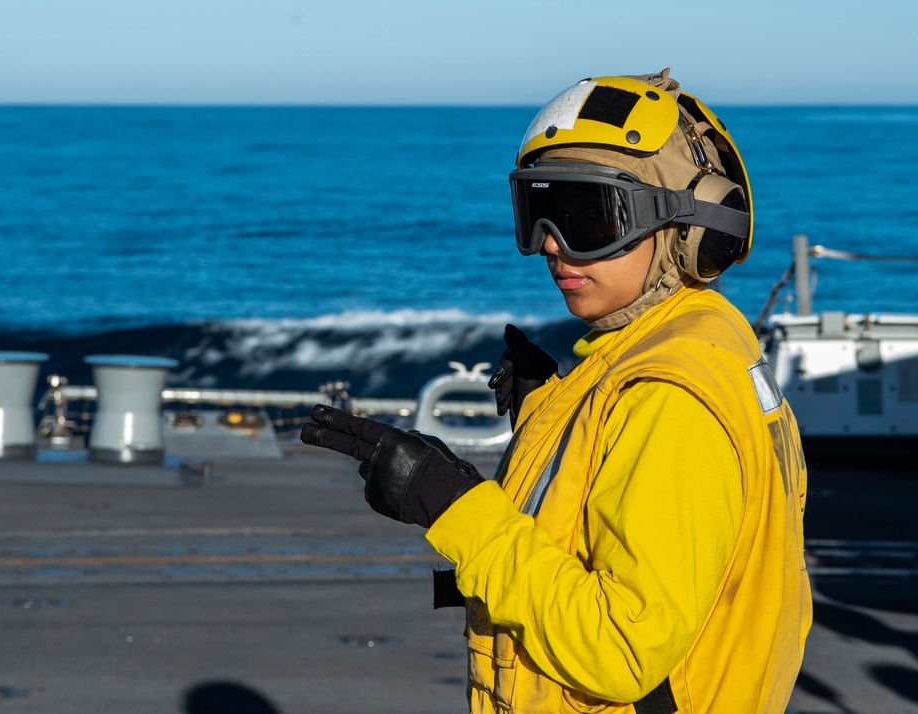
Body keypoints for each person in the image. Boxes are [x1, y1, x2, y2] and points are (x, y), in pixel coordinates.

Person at [300, 68, 811, 713]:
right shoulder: (695, 344)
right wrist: (553, 409)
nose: (551, 244)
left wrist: (453, 506)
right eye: (537, 211)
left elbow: (619, 650)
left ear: (684, 228)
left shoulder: (668, 396)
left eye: (586, 217)